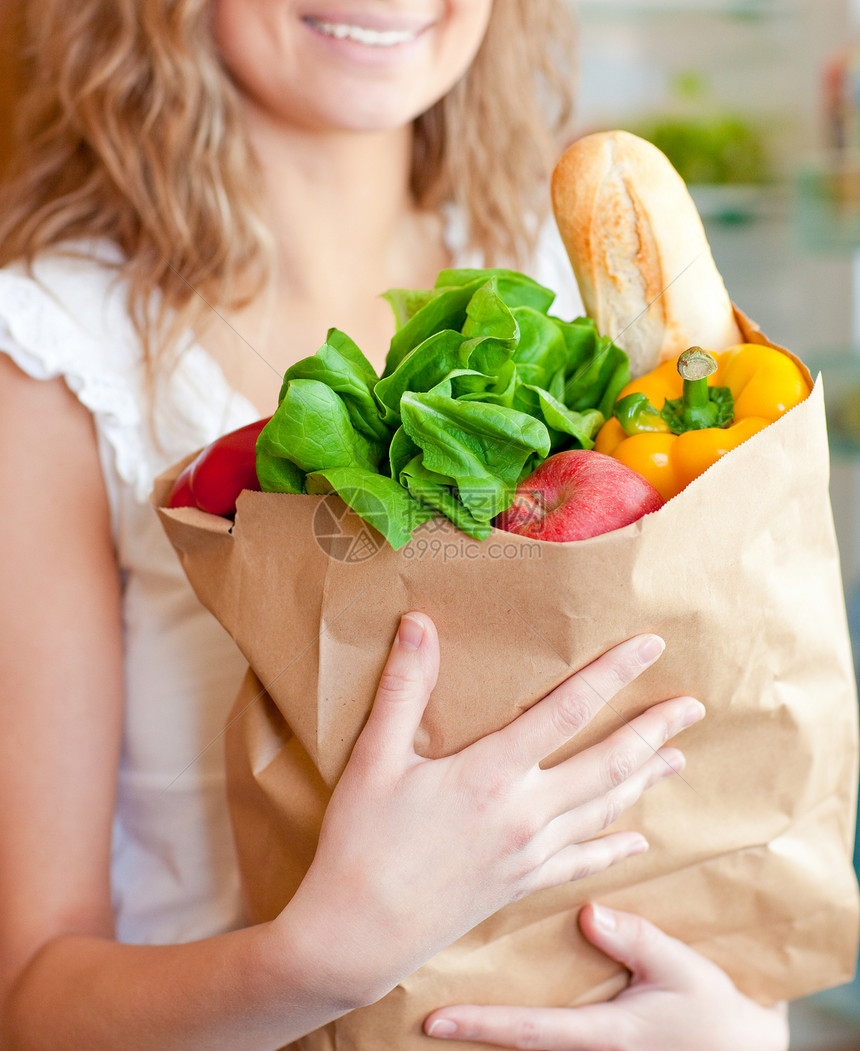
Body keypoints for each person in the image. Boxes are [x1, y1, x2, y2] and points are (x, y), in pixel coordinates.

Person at [0, 1, 789, 1047]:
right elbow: (31, 1004)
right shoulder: (54, 348)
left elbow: (698, 766)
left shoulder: (558, 283)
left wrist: (733, 1024)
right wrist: (325, 958)